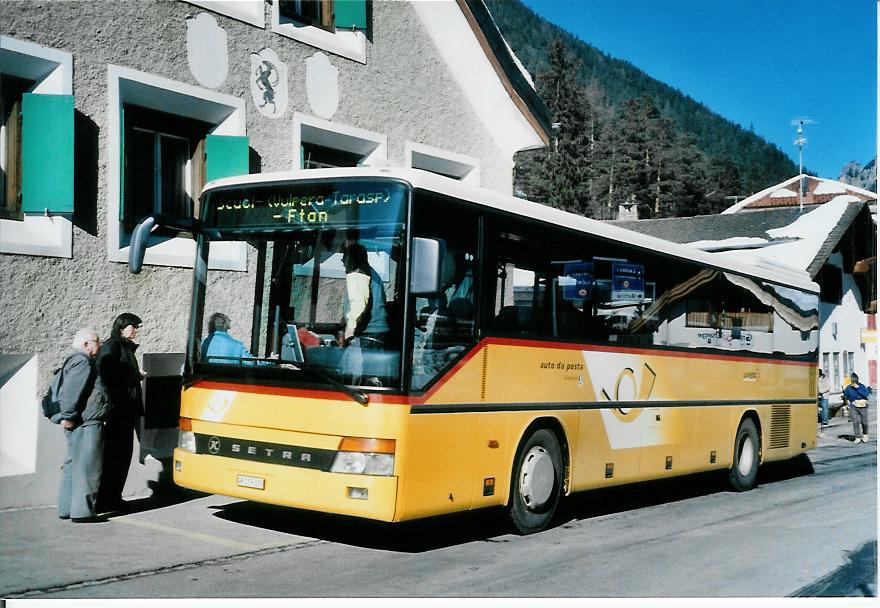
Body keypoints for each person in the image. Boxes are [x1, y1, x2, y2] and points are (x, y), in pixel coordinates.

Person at [56, 328, 111, 522]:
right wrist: (69, 415)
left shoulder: (77, 360)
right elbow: (72, 390)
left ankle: (66, 508)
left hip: (80, 421)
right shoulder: (82, 361)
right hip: (87, 423)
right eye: (98, 341)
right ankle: (82, 512)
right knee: (88, 467)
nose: (100, 344)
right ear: (86, 344)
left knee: (73, 465)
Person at [96, 312, 145, 513]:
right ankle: (105, 499)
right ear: (121, 327)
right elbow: (108, 375)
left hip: (126, 411)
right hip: (118, 411)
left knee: (123, 455)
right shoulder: (112, 346)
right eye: (133, 326)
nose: (136, 330)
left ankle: (114, 497)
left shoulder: (124, 348)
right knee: (113, 456)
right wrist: (135, 376)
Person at [843, 372, 872, 444]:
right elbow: (846, 396)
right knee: (855, 422)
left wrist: (858, 388)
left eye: (854, 382)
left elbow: (865, 394)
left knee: (864, 422)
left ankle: (865, 434)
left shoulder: (861, 386)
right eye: (852, 382)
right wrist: (847, 403)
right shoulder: (849, 388)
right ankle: (857, 437)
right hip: (853, 406)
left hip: (863, 406)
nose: (853, 383)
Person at [817, 369, 830, 437]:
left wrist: (821, 391)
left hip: (824, 395)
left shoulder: (826, 379)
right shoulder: (815, 378)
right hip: (816, 395)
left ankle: (825, 420)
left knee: (824, 407)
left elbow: (828, 387)